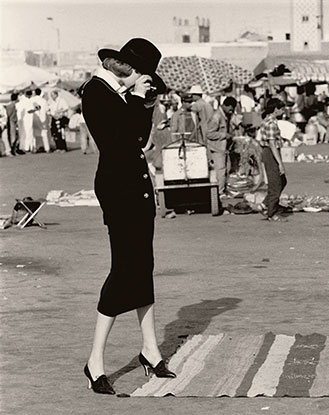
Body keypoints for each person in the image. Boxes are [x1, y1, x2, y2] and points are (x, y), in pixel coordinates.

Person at [81, 38, 176, 395]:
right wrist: (137, 98)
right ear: (123, 65)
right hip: (118, 190)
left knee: (142, 266)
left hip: (135, 189)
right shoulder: (95, 91)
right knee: (123, 270)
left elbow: (138, 137)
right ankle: (95, 361)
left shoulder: (121, 93)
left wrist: (146, 102)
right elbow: (119, 139)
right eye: (138, 71)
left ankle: (150, 350)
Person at [257, 98, 288, 222]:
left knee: (282, 181)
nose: (283, 111)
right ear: (276, 109)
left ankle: (265, 204)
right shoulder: (271, 123)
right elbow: (272, 144)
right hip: (271, 153)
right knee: (275, 184)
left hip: (269, 152)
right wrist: (280, 163)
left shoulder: (269, 121)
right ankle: (271, 213)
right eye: (281, 109)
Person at [205, 96, 237, 195]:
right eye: (230, 109)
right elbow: (209, 134)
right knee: (221, 171)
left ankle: (223, 189)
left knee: (226, 169)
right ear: (225, 105)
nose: (231, 112)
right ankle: (219, 192)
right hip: (217, 148)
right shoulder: (216, 117)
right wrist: (224, 135)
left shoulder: (225, 116)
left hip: (224, 148)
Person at [32, 88, 51, 153]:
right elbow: (47, 110)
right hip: (43, 119)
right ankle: (47, 148)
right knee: (44, 133)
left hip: (34, 119)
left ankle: (35, 147)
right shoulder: (44, 101)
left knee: (34, 134)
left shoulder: (32, 100)